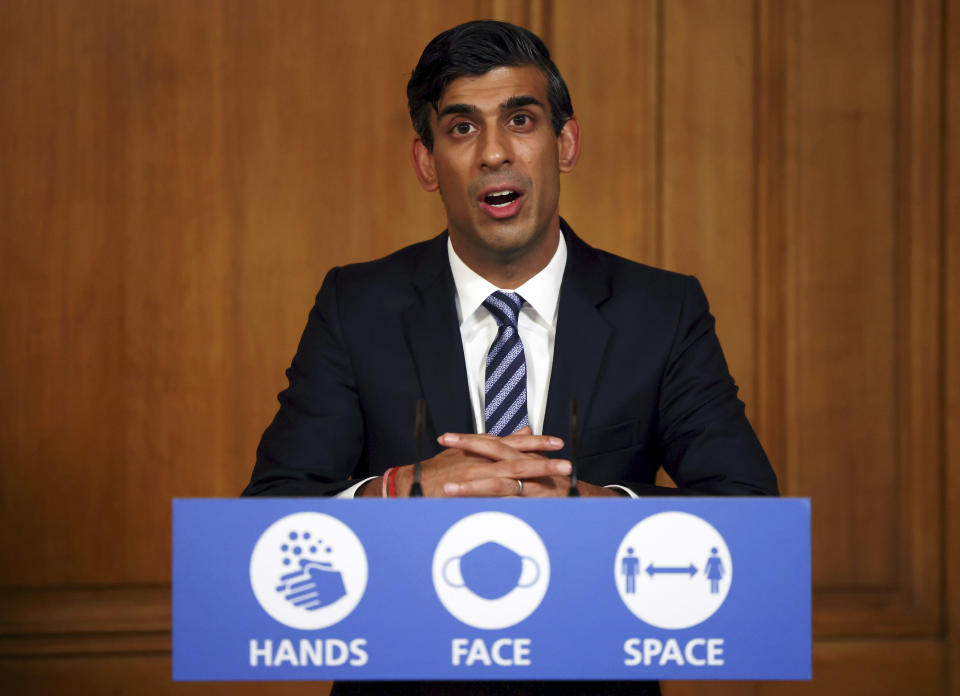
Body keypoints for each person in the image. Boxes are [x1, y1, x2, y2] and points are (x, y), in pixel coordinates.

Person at [243, 20, 778, 695]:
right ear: (426, 163)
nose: (495, 153)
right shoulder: (356, 307)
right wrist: (398, 496)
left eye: (520, 119)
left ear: (565, 142)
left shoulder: (662, 312)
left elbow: (755, 528)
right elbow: (265, 527)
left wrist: (591, 508)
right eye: (462, 128)